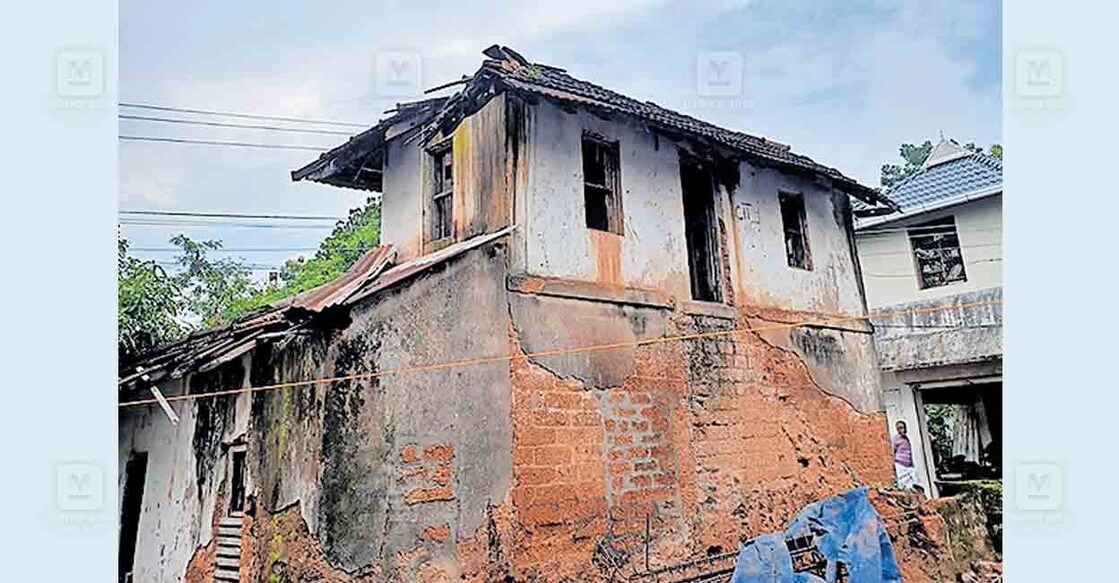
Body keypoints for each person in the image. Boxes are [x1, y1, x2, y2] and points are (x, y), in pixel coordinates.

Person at [892, 420, 918, 490]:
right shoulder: (895, 439)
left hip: (909, 466)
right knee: (903, 485)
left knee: (914, 483)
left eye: (903, 428)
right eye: (899, 428)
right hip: (900, 465)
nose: (902, 430)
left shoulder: (907, 439)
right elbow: (892, 452)